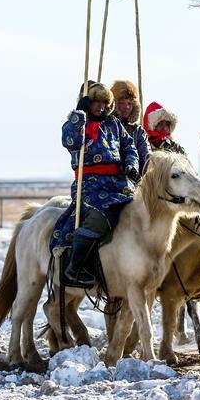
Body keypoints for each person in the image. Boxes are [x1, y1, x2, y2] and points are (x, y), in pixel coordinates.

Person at [61, 81, 140, 288]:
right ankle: (75, 267)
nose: (101, 107)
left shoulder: (113, 125)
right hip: (89, 185)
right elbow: (70, 141)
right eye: (96, 102)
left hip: (119, 185)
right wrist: (79, 115)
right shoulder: (78, 123)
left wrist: (131, 165)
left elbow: (128, 146)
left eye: (105, 102)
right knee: (99, 216)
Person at [111, 80, 151, 177]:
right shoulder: (106, 126)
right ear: (114, 104)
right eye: (122, 103)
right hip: (109, 178)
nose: (126, 107)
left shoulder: (138, 131)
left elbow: (146, 158)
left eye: (130, 103)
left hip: (133, 180)